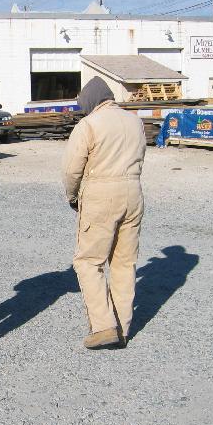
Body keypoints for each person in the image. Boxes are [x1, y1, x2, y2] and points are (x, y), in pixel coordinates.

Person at [62, 77, 146, 349]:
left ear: (90, 102)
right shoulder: (135, 121)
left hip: (101, 193)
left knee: (89, 261)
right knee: (124, 263)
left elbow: (72, 169)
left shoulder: (89, 125)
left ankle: (103, 326)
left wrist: (72, 196)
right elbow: (141, 156)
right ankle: (122, 326)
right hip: (133, 191)